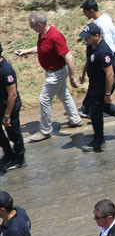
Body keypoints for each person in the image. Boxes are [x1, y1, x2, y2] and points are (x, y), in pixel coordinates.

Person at [14, 12, 82, 140]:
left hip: (57, 73)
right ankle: (75, 119)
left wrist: (72, 77)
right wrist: (26, 51)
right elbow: (41, 48)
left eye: (32, 27)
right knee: (64, 95)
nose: (31, 29)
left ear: (40, 25)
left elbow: (68, 56)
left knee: (44, 99)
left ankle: (45, 131)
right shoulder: (43, 34)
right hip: (53, 72)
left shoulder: (55, 36)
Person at [78, 23, 115, 152]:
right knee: (104, 106)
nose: (85, 39)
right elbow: (88, 60)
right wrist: (83, 73)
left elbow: (110, 74)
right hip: (94, 83)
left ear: (97, 36)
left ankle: (99, 141)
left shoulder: (103, 50)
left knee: (95, 111)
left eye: (88, 37)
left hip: (103, 84)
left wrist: (107, 94)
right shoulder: (90, 45)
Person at [0, 45, 25, 173]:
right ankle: (8, 154)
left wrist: (7, 115)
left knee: (14, 134)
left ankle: (20, 159)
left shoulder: (6, 71)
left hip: (9, 107)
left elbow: (12, 95)